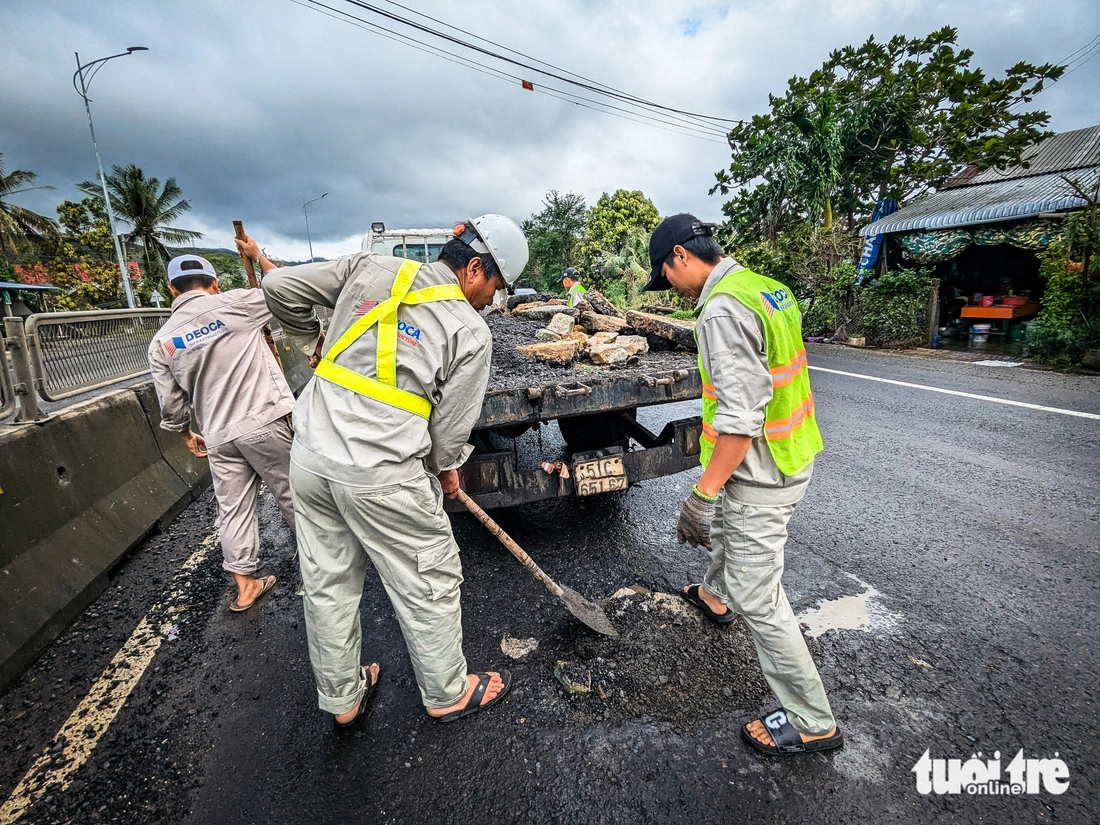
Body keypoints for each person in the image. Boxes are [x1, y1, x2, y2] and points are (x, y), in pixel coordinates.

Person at [246, 215, 528, 728]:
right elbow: (450, 430)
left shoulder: (369, 266)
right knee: (429, 574)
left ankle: (343, 698)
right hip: (381, 470)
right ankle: (446, 692)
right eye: (495, 288)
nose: (492, 301)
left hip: (310, 456)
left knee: (327, 580)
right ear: (472, 269)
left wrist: (314, 344)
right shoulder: (470, 331)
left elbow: (276, 285)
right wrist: (444, 471)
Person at [643, 213, 843, 757]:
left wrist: (701, 494)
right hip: (791, 452)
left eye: (666, 276)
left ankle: (811, 719)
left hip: (761, 471)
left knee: (762, 595)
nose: (673, 291)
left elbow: (738, 418)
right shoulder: (766, 288)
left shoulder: (723, 309)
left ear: (682, 256)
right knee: (730, 533)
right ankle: (714, 594)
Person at [147, 254, 296, 612]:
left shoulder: (163, 341)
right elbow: (290, 289)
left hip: (218, 436)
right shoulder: (235, 303)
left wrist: (186, 434)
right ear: (214, 283)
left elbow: (171, 403)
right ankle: (326, 567)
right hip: (264, 422)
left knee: (233, 509)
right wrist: (259, 258)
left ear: (172, 290)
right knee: (295, 495)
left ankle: (245, 586)